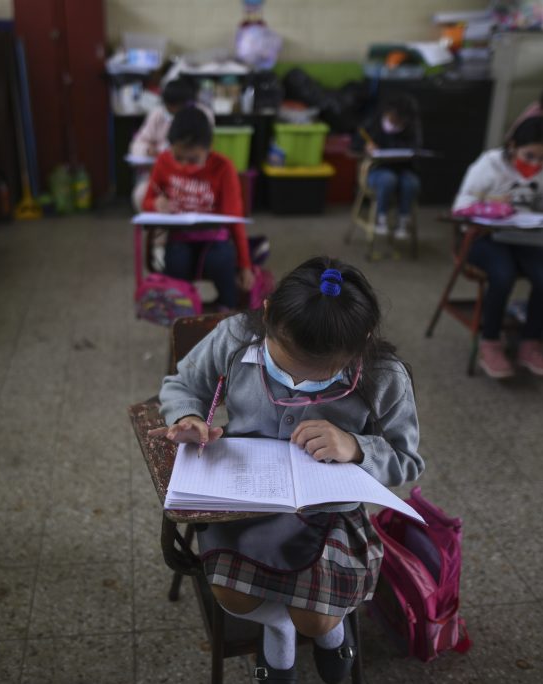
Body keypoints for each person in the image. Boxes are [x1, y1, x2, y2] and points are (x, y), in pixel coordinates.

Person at [152, 256, 424, 683]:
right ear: (266, 315)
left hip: (329, 512)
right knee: (233, 596)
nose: (296, 383)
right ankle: (277, 629)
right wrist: (188, 417)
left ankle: (321, 636)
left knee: (316, 620)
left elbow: (407, 460)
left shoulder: (384, 376)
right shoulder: (238, 336)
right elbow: (183, 384)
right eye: (283, 365)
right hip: (244, 500)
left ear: (362, 342)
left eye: (319, 376)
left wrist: (355, 447)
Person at [452, 116, 543, 379]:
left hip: (522, 237)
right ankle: (491, 342)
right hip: (483, 237)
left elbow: (540, 205)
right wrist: (491, 202)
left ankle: (530, 343)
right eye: (529, 155)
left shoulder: (541, 168)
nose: (536, 164)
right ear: (512, 146)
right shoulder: (489, 164)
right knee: (503, 274)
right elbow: (460, 207)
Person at [142, 106, 253, 310]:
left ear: (209, 147)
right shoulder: (163, 161)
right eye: (178, 157)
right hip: (179, 237)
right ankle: (182, 318)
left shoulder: (223, 168)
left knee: (221, 261)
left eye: (193, 160)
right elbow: (146, 202)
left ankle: (227, 311)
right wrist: (155, 204)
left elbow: (235, 220)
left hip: (215, 239)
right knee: (176, 262)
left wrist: (246, 265)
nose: (184, 166)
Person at [129, 79, 215, 210]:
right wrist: (147, 150)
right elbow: (139, 142)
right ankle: (157, 229)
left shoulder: (202, 116)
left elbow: (203, 150)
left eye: (175, 108)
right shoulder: (158, 114)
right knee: (141, 194)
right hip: (162, 174)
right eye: (168, 107)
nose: (171, 112)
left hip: (195, 177)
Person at [358, 93, 423, 241]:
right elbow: (355, 143)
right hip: (377, 170)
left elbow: (416, 149)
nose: (395, 122)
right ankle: (381, 218)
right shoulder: (373, 123)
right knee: (388, 179)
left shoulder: (411, 128)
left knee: (411, 183)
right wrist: (366, 147)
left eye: (400, 121)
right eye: (393, 118)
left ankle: (403, 221)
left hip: (403, 170)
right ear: (386, 113)